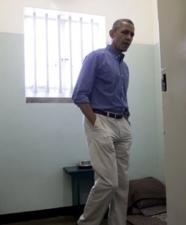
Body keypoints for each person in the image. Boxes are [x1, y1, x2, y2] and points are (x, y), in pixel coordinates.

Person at [72, 18, 135, 225]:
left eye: (131, 34)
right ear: (112, 33)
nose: (128, 37)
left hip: (122, 125)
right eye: (125, 32)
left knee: (122, 185)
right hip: (100, 121)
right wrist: (96, 123)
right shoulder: (96, 57)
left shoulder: (124, 68)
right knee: (108, 182)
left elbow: (122, 98)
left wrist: (126, 123)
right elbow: (80, 95)